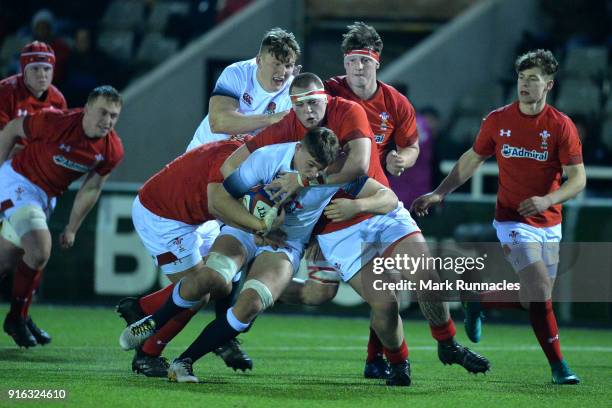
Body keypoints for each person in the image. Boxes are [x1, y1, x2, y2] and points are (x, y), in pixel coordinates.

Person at [222, 73, 490, 385]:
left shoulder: (349, 111)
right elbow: (230, 169)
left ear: (325, 98)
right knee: (366, 299)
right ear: (290, 106)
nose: (309, 110)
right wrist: (260, 212)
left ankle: (447, 345)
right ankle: (397, 364)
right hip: (334, 228)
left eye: (314, 102)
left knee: (424, 275)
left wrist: (316, 185)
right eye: (300, 104)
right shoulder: (282, 130)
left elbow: (365, 170)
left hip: (373, 206)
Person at [277, 23, 481, 380]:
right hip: (332, 215)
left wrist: (405, 158)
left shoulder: (395, 103)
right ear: (344, 62)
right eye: (352, 61)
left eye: (365, 61)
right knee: (320, 294)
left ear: (377, 63)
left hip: (376, 200)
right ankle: (264, 286)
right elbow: (292, 115)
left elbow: (412, 146)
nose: (358, 68)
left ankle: (444, 344)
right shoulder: (326, 94)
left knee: (424, 275)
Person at [119, 127, 402, 384]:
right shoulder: (267, 157)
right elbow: (223, 198)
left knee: (251, 305)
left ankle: (184, 362)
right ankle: (154, 321)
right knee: (213, 278)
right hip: (245, 230)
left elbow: (388, 198)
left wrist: (358, 206)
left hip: (286, 244)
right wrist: (256, 224)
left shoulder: (335, 172)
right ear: (298, 148)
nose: (314, 174)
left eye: (321, 169)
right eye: (311, 165)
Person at [115, 27, 301, 374]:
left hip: (231, 175)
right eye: (276, 63)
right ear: (259, 59)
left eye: (288, 66)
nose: (282, 72)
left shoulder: (292, 93)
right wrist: (273, 121)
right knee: (200, 289)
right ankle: (146, 339)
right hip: (187, 193)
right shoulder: (238, 74)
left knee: (221, 274)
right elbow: (219, 121)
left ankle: (163, 319)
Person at [411, 49, 585, 385]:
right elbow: (471, 160)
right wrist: (440, 192)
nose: (525, 84)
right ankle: (559, 367)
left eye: (533, 79)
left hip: (549, 222)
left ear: (548, 84)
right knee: (537, 287)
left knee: (533, 299)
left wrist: (548, 199)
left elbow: (578, 178)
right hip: (512, 219)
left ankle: (477, 298)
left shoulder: (561, 126)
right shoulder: (498, 120)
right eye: (522, 78)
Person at [124, 136, 285, 377]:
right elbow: (217, 204)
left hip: (198, 218)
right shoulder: (233, 159)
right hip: (163, 215)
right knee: (199, 292)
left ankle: (221, 338)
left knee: (225, 274)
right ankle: (147, 353)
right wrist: (258, 227)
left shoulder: (258, 152)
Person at [0, 85, 124, 348]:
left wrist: (72, 228)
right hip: (17, 181)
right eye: (103, 112)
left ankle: (18, 317)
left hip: (44, 197)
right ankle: (17, 318)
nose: (108, 121)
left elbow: (92, 187)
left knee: (5, 262)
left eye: (114, 115)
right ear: (87, 108)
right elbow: (12, 128)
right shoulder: (55, 121)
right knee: (40, 249)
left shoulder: (111, 149)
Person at [0, 40, 67, 348]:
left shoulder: (57, 99)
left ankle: (20, 315)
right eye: (35, 68)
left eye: (47, 68)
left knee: (26, 255)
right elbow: (5, 143)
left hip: (38, 184)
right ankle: (18, 316)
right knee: (33, 250)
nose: (42, 74)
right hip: (9, 177)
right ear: (22, 70)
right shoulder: (6, 92)